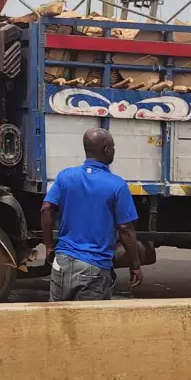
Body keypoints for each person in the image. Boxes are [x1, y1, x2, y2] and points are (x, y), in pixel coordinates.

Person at [41, 128, 143, 301]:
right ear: (107, 150)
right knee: (90, 325)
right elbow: (125, 228)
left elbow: (46, 209)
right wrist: (135, 264)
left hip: (62, 262)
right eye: (113, 147)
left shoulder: (65, 176)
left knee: (57, 322)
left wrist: (49, 245)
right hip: (94, 267)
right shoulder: (117, 185)